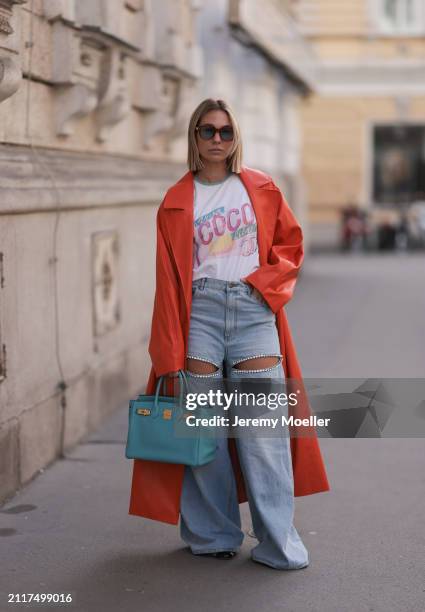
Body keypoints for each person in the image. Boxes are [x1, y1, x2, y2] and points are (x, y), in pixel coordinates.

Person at [128, 98, 330, 570]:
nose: (217, 139)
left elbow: (290, 244)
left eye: (225, 131)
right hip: (197, 313)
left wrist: (264, 290)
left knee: (263, 432)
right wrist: (167, 345)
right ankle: (214, 534)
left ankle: (278, 543)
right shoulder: (177, 200)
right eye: (207, 131)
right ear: (194, 137)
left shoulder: (259, 187)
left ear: (235, 137)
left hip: (251, 310)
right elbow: (167, 279)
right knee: (204, 432)